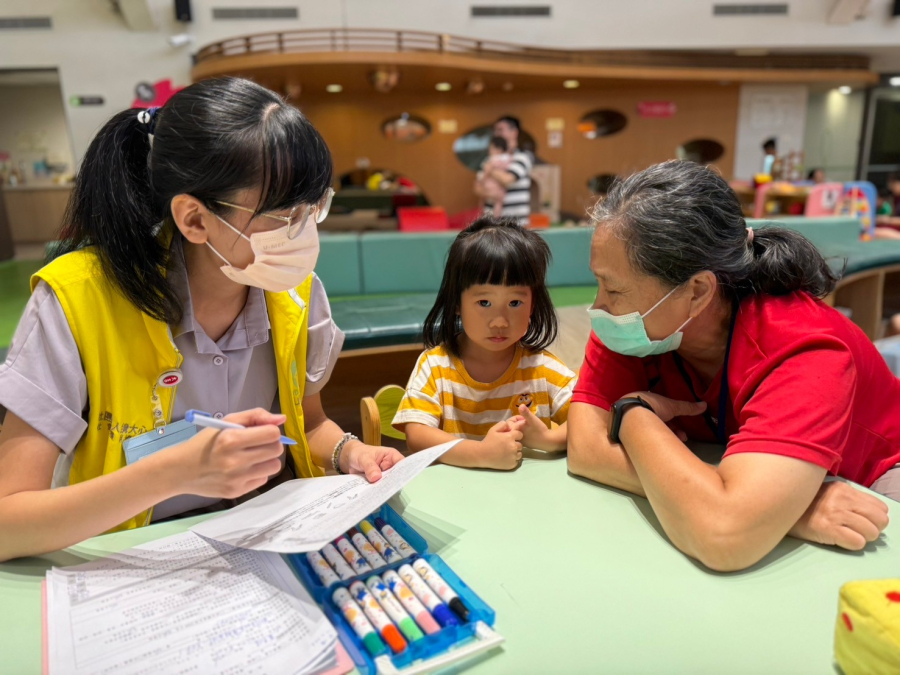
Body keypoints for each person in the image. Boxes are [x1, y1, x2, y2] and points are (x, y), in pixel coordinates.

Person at [0, 77, 404, 562]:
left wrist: (350, 453)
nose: (303, 232)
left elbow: (311, 424)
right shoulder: (75, 299)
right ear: (194, 219)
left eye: (312, 208)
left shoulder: (294, 294)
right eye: (283, 214)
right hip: (117, 556)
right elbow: (9, 524)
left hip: (253, 539)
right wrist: (176, 470)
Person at [567, 160, 896, 573]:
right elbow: (584, 449)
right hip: (745, 472)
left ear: (699, 291)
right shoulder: (632, 324)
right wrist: (774, 512)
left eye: (613, 289)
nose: (599, 307)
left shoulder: (803, 346)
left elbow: (722, 537)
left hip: (871, 481)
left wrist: (634, 416)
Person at [392, 217, 576, 470]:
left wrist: (548, 439)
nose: (500, 321)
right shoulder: (435, 365)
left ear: (533, 304)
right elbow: (417, 434)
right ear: (457, 303)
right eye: (484, 303)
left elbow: (589, 418)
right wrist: (481, 453)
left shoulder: (542, 368)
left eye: (515, 303)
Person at [484, 116, 533, 226]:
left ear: (514, 132)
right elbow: (477, 187)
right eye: (496, 130)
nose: (497, 134)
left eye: (501, 130)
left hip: (516, 224)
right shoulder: (490, 158)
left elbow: (507, 179)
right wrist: (489, 192)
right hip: (491, 222)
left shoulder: (522, 156)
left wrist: (489, 168)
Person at [474, 136, 511, 217]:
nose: (489, 151)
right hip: (494, 192)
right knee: (494, 206)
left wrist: (483, 178)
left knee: (493, 208)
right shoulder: (508, 159)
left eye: (491, 148)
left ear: (499, 149)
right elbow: (477, 189)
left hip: (494, 188)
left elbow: (486, 171)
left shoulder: (492, 160)